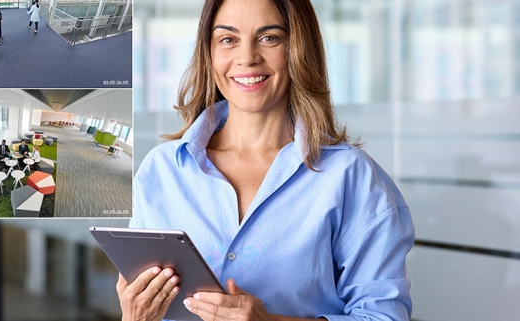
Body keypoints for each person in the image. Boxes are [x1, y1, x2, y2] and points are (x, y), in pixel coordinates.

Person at [123, 1, 415, 321]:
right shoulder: (161, 170)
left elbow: (383, 317)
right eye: (228, 39)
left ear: (298, 50)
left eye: (269, 38)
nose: (247, 57)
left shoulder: (350, 176)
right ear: (209, 53)